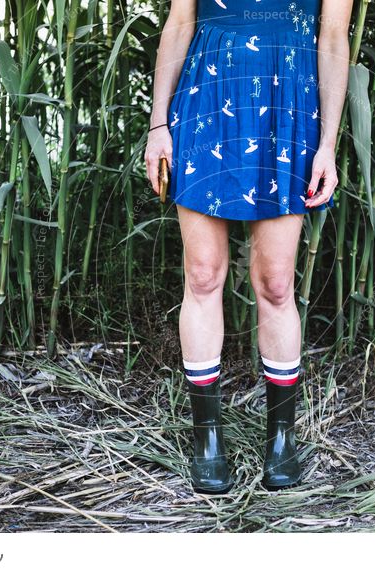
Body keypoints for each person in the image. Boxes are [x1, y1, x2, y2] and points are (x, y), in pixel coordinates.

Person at [144, 0, 353, 494]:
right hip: (205, 102)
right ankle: (207, 441)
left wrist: (328, 144)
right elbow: (178, 23)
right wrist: (157, 126)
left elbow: (334, 38)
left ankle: (281, 440)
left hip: (288, 104)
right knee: (202, 274)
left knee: (277, 283)